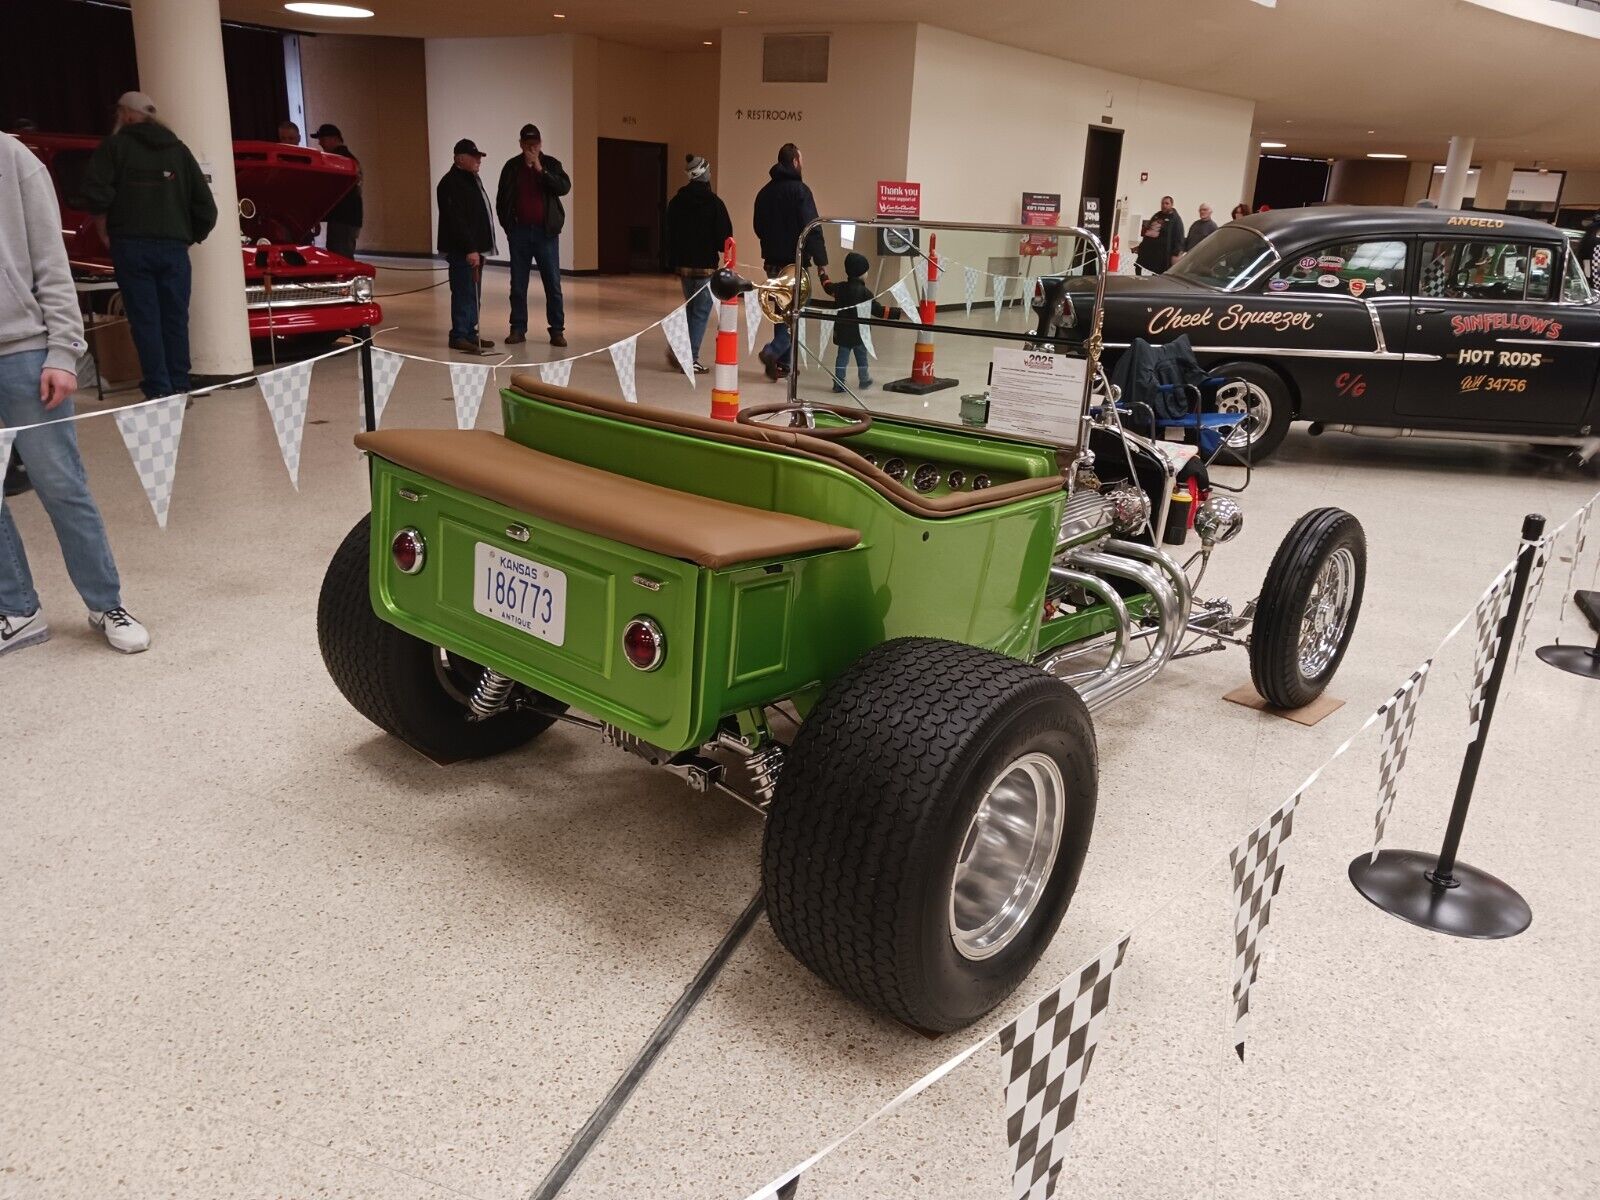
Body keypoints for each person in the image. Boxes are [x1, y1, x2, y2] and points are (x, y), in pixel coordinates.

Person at [0, 131, 149, 655]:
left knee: (61, 485)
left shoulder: (12, 157)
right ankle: (18, 610)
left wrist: (63, 350)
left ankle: (105, 601)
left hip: (23, 352)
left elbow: (50, 260)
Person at [79, 91, 217, 400]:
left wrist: (105, 232)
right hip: (173, 248)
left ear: (126, 115)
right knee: (176, 317)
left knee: (145, 319)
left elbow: (95, 194)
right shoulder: (179, 150)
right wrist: (186, 236)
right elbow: (206, 208)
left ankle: (158, 387)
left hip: (130, 245)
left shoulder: (114, 147)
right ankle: (180, 382)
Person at [752, 142, 829, 379]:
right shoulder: (801, 191)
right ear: (795, 162)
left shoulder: (764, 192)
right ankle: (773, 351)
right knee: (795, 312)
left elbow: (758, 227)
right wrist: (821, 263)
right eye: (801, 160)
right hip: (794, 264)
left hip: (772, 263)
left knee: (781, 311)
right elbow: (812, 228)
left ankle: (784, 363)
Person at [495, 124, 571, 348]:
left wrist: (540, 169)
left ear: (540, 144)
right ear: (520, 144)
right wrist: (509, 228)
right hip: (519, 233)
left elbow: (564, 187)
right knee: (518, 284)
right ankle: (518, 328)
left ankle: (557, 330)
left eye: (535, 144)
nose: (531, 148)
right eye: (527, 145)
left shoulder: (551, 164)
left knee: (553, 284)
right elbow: (502, 200)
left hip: (545, 234)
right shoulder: (511, 167)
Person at [663, 154, 732, 374]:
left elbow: (668, 233)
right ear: (704, 174)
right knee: (700, 312)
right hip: (705, 267)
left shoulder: (676, 201)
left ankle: (679, 349)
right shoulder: (715, 203)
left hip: (683, 267)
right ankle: (689, 357)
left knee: (691, 309)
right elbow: (725, 237)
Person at [437, 137, 497, 354]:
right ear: (460, 159)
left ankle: (471, 333)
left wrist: (481, 248)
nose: (479, 161)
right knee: (463, 292)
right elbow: (456, 220)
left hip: (476, 249)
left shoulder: (471, 180)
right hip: (463, 250)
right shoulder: (450, 183)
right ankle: (459, 334)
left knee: (473, 292)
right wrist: (470, 248)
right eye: (474, 157)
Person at [821, 251, 897, 393]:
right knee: (862, 358)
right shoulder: (866, 293)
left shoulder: (840, 288)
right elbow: (878, 311)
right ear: (862, 274)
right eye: (866, 271)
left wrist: (822, 274)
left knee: (841, 358)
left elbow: (827, 286)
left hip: (842, 331)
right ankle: (864, 379)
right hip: (860, 334)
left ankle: (839, 383)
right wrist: (897, 313)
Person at [311, 123, 362, 258]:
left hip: (342, 219)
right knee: (343, 254)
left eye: (322, 138)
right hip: (349, 218)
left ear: (334, 138)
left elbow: (330, 191)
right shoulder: (350, 159)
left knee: (340, 258)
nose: (320, 142)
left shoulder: (337, 160)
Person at [1134, 196, 1185, 275]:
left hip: (1163, 254)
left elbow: (1179, 238)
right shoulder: (1157, 215)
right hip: (1150, 251)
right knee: (1138, 265)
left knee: (1158, 273)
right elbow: (1149, 230)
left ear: (1172, 205)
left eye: (1167, 203)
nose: (1164, 205)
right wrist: (1141, 246)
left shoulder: (1176, 219)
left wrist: (1176, 253)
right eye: (1162, 203)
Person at [1576, 214, 1600, 290]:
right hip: (1592, 287)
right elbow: (1594, 269)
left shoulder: (1587, 239)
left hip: (1587, 284)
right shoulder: (1596, 244)